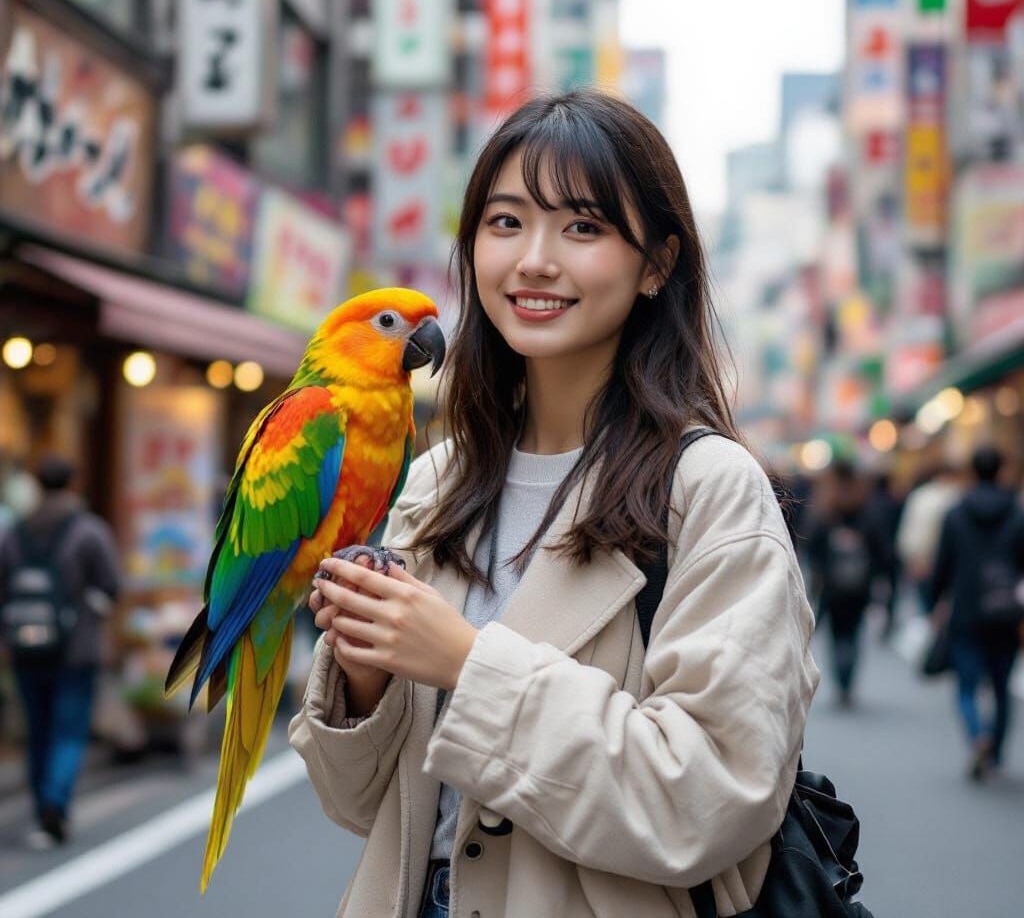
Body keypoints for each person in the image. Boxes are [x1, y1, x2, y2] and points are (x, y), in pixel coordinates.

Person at [289, 90, 819, 918]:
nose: (534, 260)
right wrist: (365, 680)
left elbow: (712, 798)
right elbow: (363, 809)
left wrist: (466, 662)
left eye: (582, 227)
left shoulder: (709, 489)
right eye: (505, 223)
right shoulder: (437, 482)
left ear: (657, 263)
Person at [0, 455, 122, 847]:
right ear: (73, 484)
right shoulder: (87, 530)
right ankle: (54, 806)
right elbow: (111, 585)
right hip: (76, 648)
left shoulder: (14, 532)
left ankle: (41, 807)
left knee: (37, 730)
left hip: (23, 647)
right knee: (67, 730)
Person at [928, 445, 1024, 781]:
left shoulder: (956, 513)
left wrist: (933, 602)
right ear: (1001, 470)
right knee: (1001, 685)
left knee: (967, 685)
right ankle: (995, 751)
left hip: (966, 610)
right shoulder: (1017, 512)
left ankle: (977, 735)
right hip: (1006, 611)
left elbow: (942, 565)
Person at [806, 459, 884, 708]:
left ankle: (841, 680)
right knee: (854, 631)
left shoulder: (826, 504)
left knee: (836, 633)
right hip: (860, 583)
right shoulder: (865, 503)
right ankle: (848, 679)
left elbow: (812, 544)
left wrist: (818, 574)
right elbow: (880, 546)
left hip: (832, 583)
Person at [897, 462, 961, 611]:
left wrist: (911, 560)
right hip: (949, 567)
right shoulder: (956, 497)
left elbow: (909, 535)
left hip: (924, 564)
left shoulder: (920, 496)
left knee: (929, 609)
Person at [862, 471, 903, 639]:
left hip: (874, 553)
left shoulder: (869, 503)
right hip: (892, 552)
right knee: (892, 587)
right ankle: (889, 616)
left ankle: (874, 612)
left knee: (873, 584)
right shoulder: (894, 503)